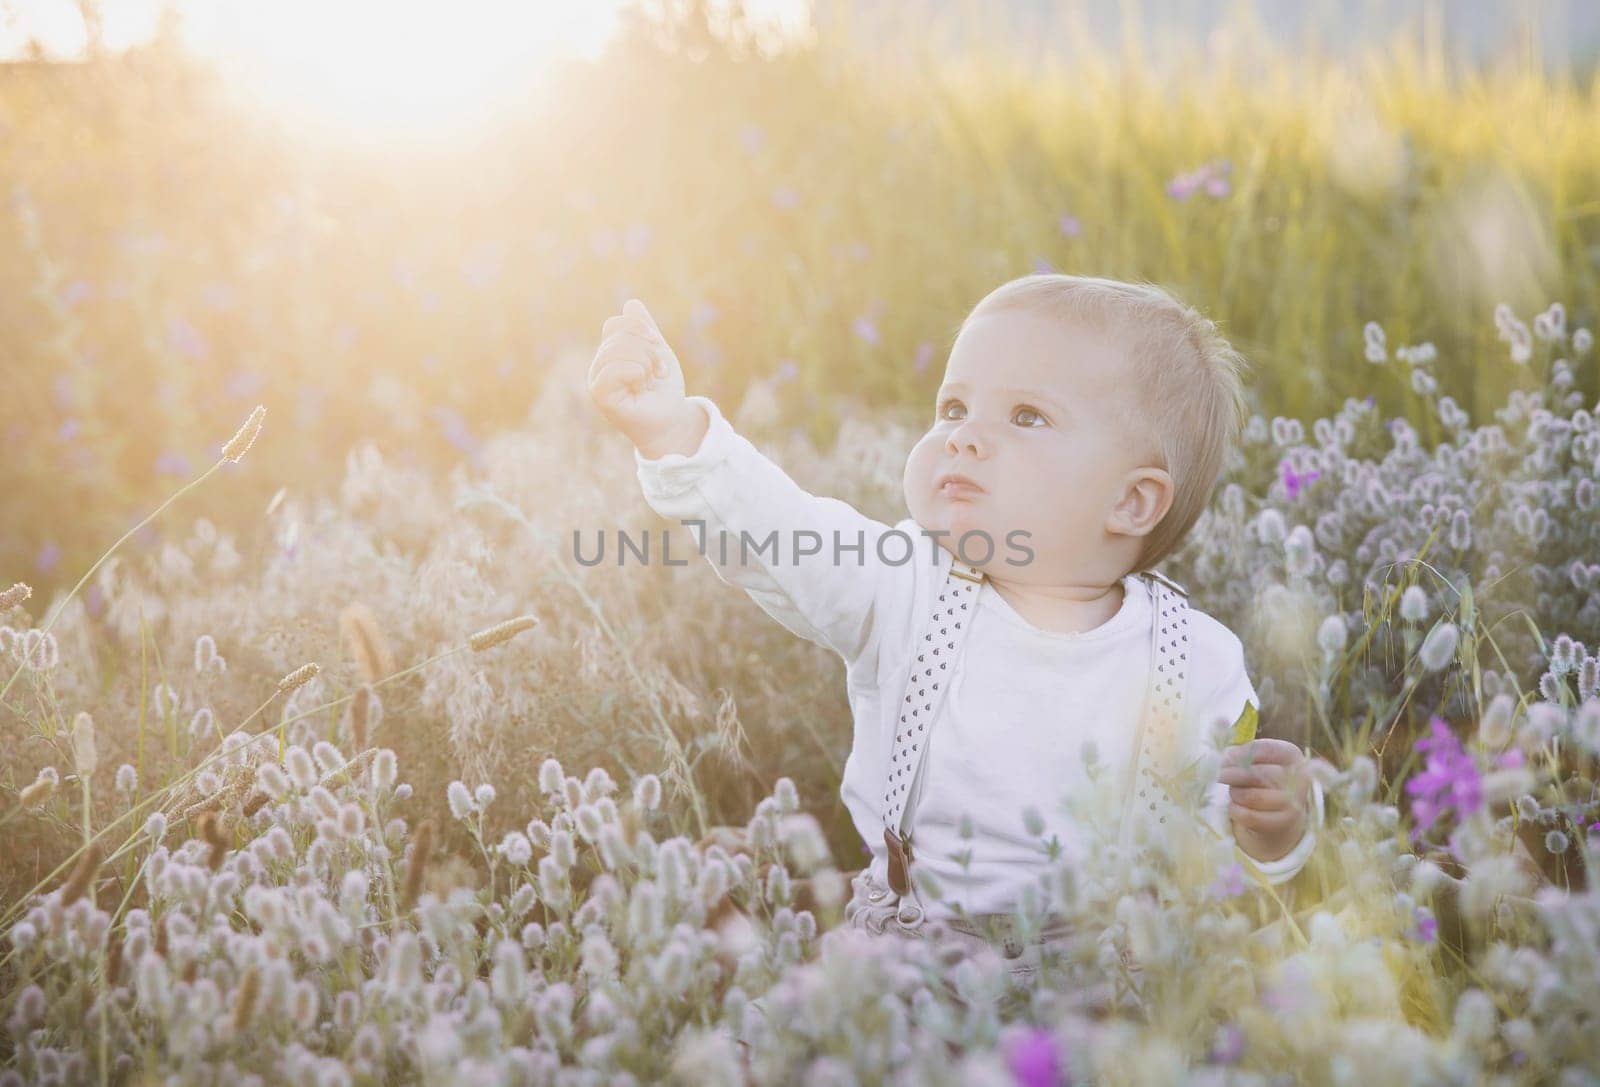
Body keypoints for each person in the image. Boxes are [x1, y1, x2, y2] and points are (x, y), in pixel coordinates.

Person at [586, 274, 1324, 993]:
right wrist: (679, 433)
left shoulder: (1196, 658)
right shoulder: (906, 584)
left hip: (1105, 984)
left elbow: (1210, 854)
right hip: (911, 960)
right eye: (953, 407)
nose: (965, 438)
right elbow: (783, 532)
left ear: (1131, 501)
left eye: (1026, 416)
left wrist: (1276, 836)